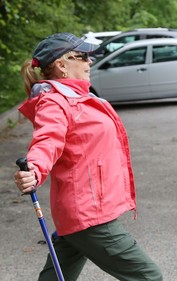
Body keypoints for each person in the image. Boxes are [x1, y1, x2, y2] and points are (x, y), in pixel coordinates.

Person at [13, 32, 163, 280]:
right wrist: (35, 169)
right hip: (88, 215)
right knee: (149, 277)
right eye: (82, 56)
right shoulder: (55, 102)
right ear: (62, 65)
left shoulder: (78, 97)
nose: (89, 62)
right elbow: (46, 140)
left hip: (80, 211)